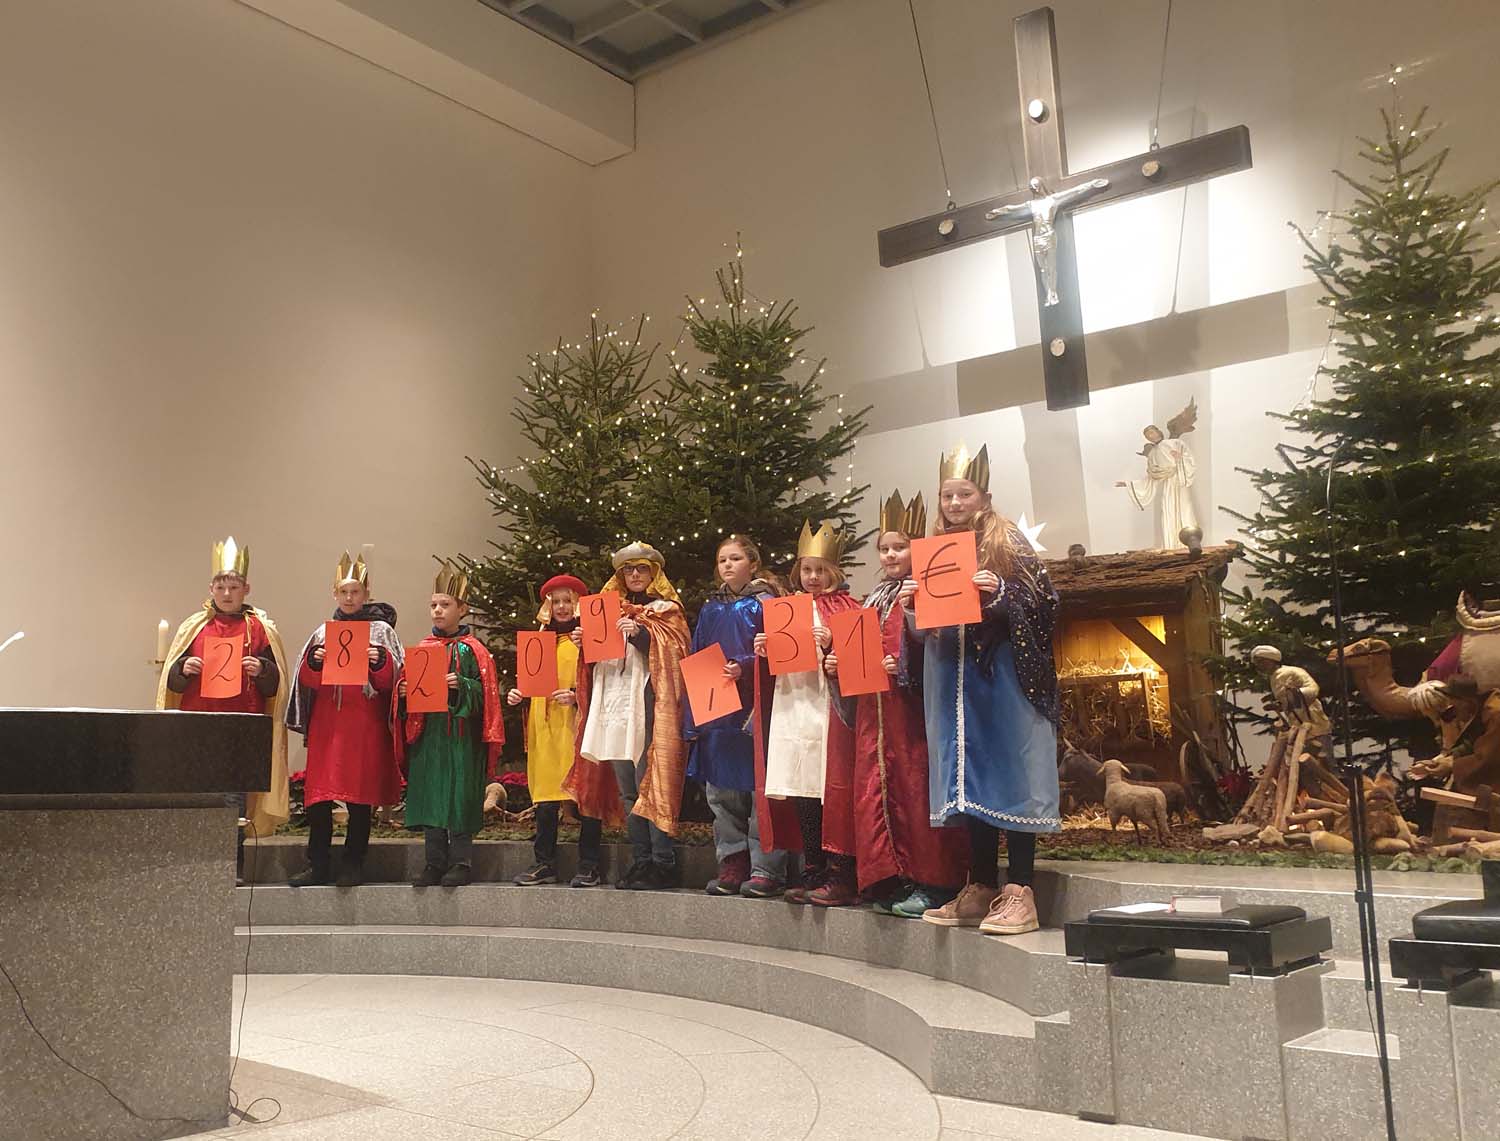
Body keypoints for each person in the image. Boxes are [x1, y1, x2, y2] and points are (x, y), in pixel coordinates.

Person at [911, 445, 1061, 936]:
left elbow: (1044, 603)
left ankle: (1020, 889)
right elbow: (925, 625)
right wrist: (915, 608)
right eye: (947, 495)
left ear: (984, 495)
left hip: (1000, 676)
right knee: (968, 775)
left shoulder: (1008, 541)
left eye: (963, 493)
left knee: (1010, 771)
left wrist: (997, 591)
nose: (954, 503)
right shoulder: (932, 550)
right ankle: (978, 886)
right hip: (952, 677)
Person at [825, 493, 966, 918]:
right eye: (884, 548)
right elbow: (857, 656)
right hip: (876, 715)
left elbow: (948, 647)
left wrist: (906, 661)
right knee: (880, 794)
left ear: (917, 547)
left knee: (917, 794)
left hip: (914, 715)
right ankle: (891, 878)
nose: (890, 555)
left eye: (899, 547)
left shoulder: (931, 589)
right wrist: (837, 666)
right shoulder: (873, 599)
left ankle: (935, 882)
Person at [157, 537, 290, 884]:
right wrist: (183, 669)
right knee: (199, 794)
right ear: (211, 588)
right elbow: (171, 682)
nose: (227, 593)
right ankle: (194, 866)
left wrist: (262, 671)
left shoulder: (260, 628)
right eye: (221, 586)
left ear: (246, 588)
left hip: (241, 725)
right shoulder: (194, 627)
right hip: (199, 725)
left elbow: (276, 684)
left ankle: (232, 864)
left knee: (234, 800)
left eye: (233, 586)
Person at [571, 541, 691, 891]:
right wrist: (584, 645)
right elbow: (597, 661)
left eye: (641, 568)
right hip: (614, 708)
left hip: (648, 708)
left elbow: (675, 652)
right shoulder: (605, 611)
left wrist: (641, 636)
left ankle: (662, 862)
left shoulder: (666, 610)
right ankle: (640, 860)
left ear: (654, 573)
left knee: (651, 785)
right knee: (628, 792)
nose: (635, 575)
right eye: (628, 569)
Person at [756, 521, 861, 905]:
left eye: (820, 570)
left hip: (826, 710)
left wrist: (834, 641)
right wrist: (764, 650)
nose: (813, 577)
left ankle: (841, 873)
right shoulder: (786, 609)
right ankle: (812, 869)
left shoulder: (848, 607)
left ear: (833, 572)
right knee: (801, 788)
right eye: (806, 570)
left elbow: (859, 662)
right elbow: (774, 667)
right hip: (793, 707)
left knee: (828, 789)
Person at [284, 552, 402, 888]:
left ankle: (353, 863)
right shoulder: (323, 632)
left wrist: (379, 661)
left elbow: (395, 681)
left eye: (356, 592)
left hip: (364, 727)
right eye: (343, 592)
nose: (350, 598)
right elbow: (305, 682)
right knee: (320, 800)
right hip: (328, 726)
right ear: (334, 594)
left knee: (358, 799)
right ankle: (317, 864)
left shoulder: (380, 632)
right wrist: (316, 662)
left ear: (366, 594)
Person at [684, 535, 789, 898]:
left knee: (759, 789)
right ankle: (732, 860)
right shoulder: (712, 608)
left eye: (735, 558)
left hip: (754, 710)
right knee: (722, 792)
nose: (727, 565)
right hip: (718, 713)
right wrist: (694, 718)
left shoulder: (766, 605)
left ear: (753, 564)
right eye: (722, 560)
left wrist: (745, 666)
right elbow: (698, 656)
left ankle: (765, 866)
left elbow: (783, 651)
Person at [397, 561, 504, 887]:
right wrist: (402, 694)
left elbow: (487, 697)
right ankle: (433, 862)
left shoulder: (474, 651)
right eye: (433, 605)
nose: (437, 611)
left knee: (458, 798)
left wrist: (464, 686)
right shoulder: (423, 650)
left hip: (460, 739)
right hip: (430, 739)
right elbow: (406, 698)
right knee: (432, 797)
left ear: (463, 608)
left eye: (445, 605)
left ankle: (461, 861)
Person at [510, 574, 612, 888]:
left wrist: (575, 695)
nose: (562, 607)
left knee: (585, 795)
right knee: (545, 797)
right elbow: (532, 682)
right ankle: (544, 863)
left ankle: (589, 865)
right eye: (556, 602)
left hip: (577, 726)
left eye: (568, 601)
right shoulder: (539, 642)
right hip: (545, 727)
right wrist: (519, 694)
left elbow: (608, 681)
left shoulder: (590, 641)